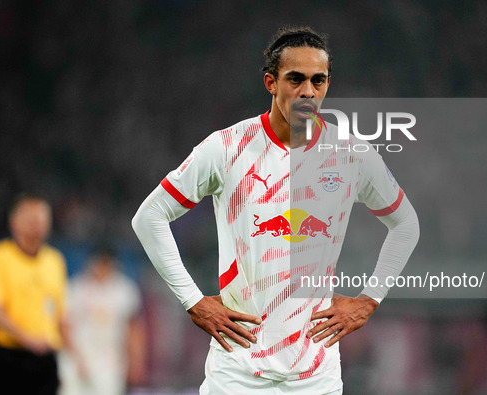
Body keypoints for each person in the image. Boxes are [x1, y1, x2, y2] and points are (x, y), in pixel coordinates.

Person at [132, 26, 419, 394]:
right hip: (238, 371)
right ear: (271, 82)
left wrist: (369, 300)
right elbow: (149, 217)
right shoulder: (227, 148)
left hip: (316, 374)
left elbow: (406, 224)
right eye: (295, 79)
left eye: (318, 80)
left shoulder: (352, 155)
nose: (307, 92)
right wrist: (193, 301)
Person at [0, 193, 77, 394]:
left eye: (42, 219)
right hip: (10, 356)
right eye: (31, 219)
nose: (37, 225)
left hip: (46, 358)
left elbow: (60, 314)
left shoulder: (54, 261)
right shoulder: (3, 257)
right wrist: (28, 340)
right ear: (14, 222)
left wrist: (74, 356)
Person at [59, 247, 147, 395]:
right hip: (77, 361)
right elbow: (64, 326)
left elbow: (134, 328)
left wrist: (136, 360)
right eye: (99, 263)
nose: (102, 268)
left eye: (106, 263)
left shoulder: (124, 290)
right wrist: (77, 359)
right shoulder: (76, 288)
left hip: (110, 363)